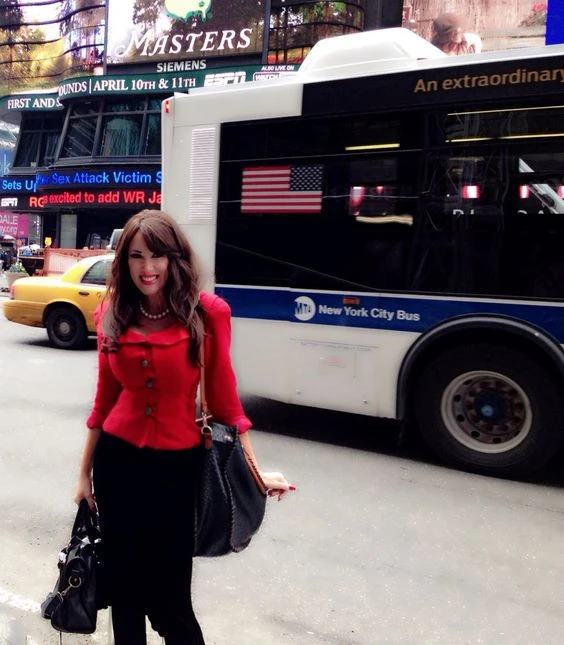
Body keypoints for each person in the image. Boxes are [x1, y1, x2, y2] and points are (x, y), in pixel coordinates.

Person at [74, 209, 295, 645]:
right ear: (124, 261)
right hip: (117, 465)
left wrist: (254, 472)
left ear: (175, 258)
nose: (147, 267)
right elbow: (104, 402)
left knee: (173, 601)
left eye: (157, 255)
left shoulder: (207, 313)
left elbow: (228, 405)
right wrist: (83, 475)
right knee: (124, 592)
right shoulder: (111, 313)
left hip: (177, 471)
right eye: (136, 256)